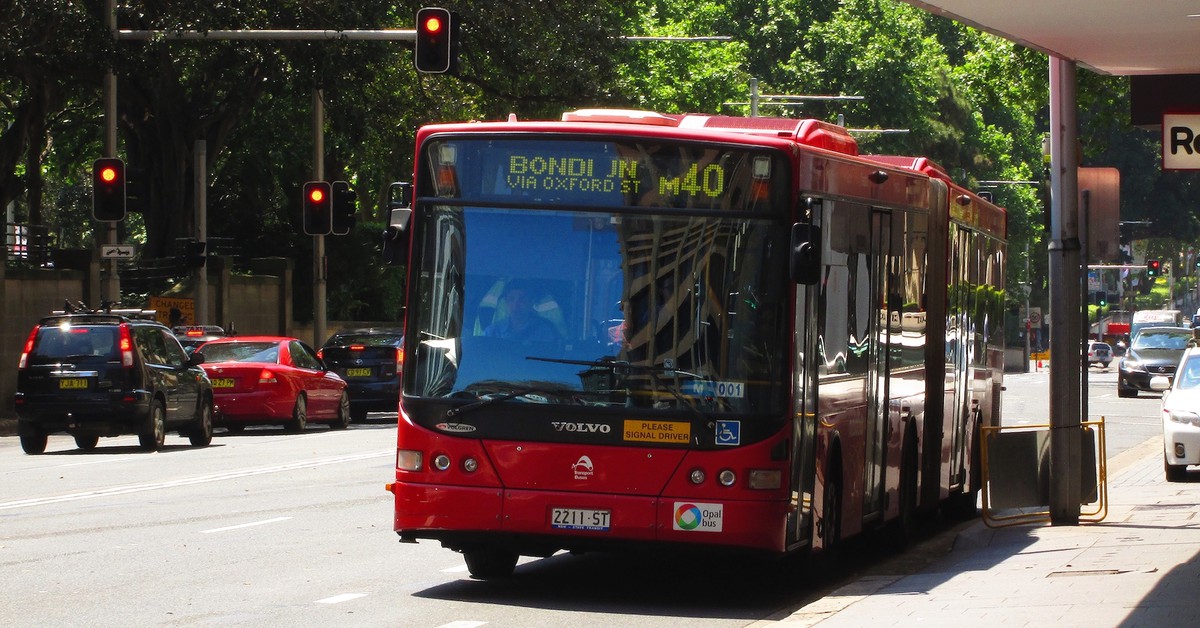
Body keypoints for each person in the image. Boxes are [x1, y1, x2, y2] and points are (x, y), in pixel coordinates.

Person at [483, 281, 560, 342]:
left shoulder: (546, 331)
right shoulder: (493, 332)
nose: (516, 305)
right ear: (506, 301)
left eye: (522, 299)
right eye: (511, 299)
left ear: (531, 302)